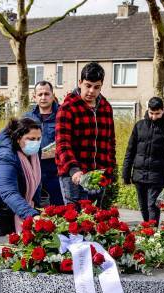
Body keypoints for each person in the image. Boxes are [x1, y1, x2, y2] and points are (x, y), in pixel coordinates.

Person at [55, 62, 115, 207]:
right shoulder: (68, 108)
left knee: (96, 220)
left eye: (96, 87)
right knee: (75, 220)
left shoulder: (106, 107)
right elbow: (62, 144)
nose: (91, 91)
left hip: (98, 175)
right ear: (80, 82)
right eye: (88, 85)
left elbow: (110, 141)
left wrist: (110, 168)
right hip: (74, 175)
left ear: (101, 86)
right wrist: (74, 170)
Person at [122, 97, 164, 225]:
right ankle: (148, 229)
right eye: (151, 113)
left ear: (163, 110)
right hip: (139, 175)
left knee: (152, 205)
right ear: (148, 110)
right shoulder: (139, 126)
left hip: (157, 177)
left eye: (157, 114)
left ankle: (152, 233)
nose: (153, 117)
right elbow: (130, 151)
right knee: (143, 206)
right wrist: (126, 174)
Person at [23, 80, 63, 206]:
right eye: (40, 94)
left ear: (53, 95)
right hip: (33, 171)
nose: (43, 97)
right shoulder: (27, 118)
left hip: (56, 173)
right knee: (34, 208)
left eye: (47, 94)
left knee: (59, 209)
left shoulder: (62, 115)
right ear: (34, 97)